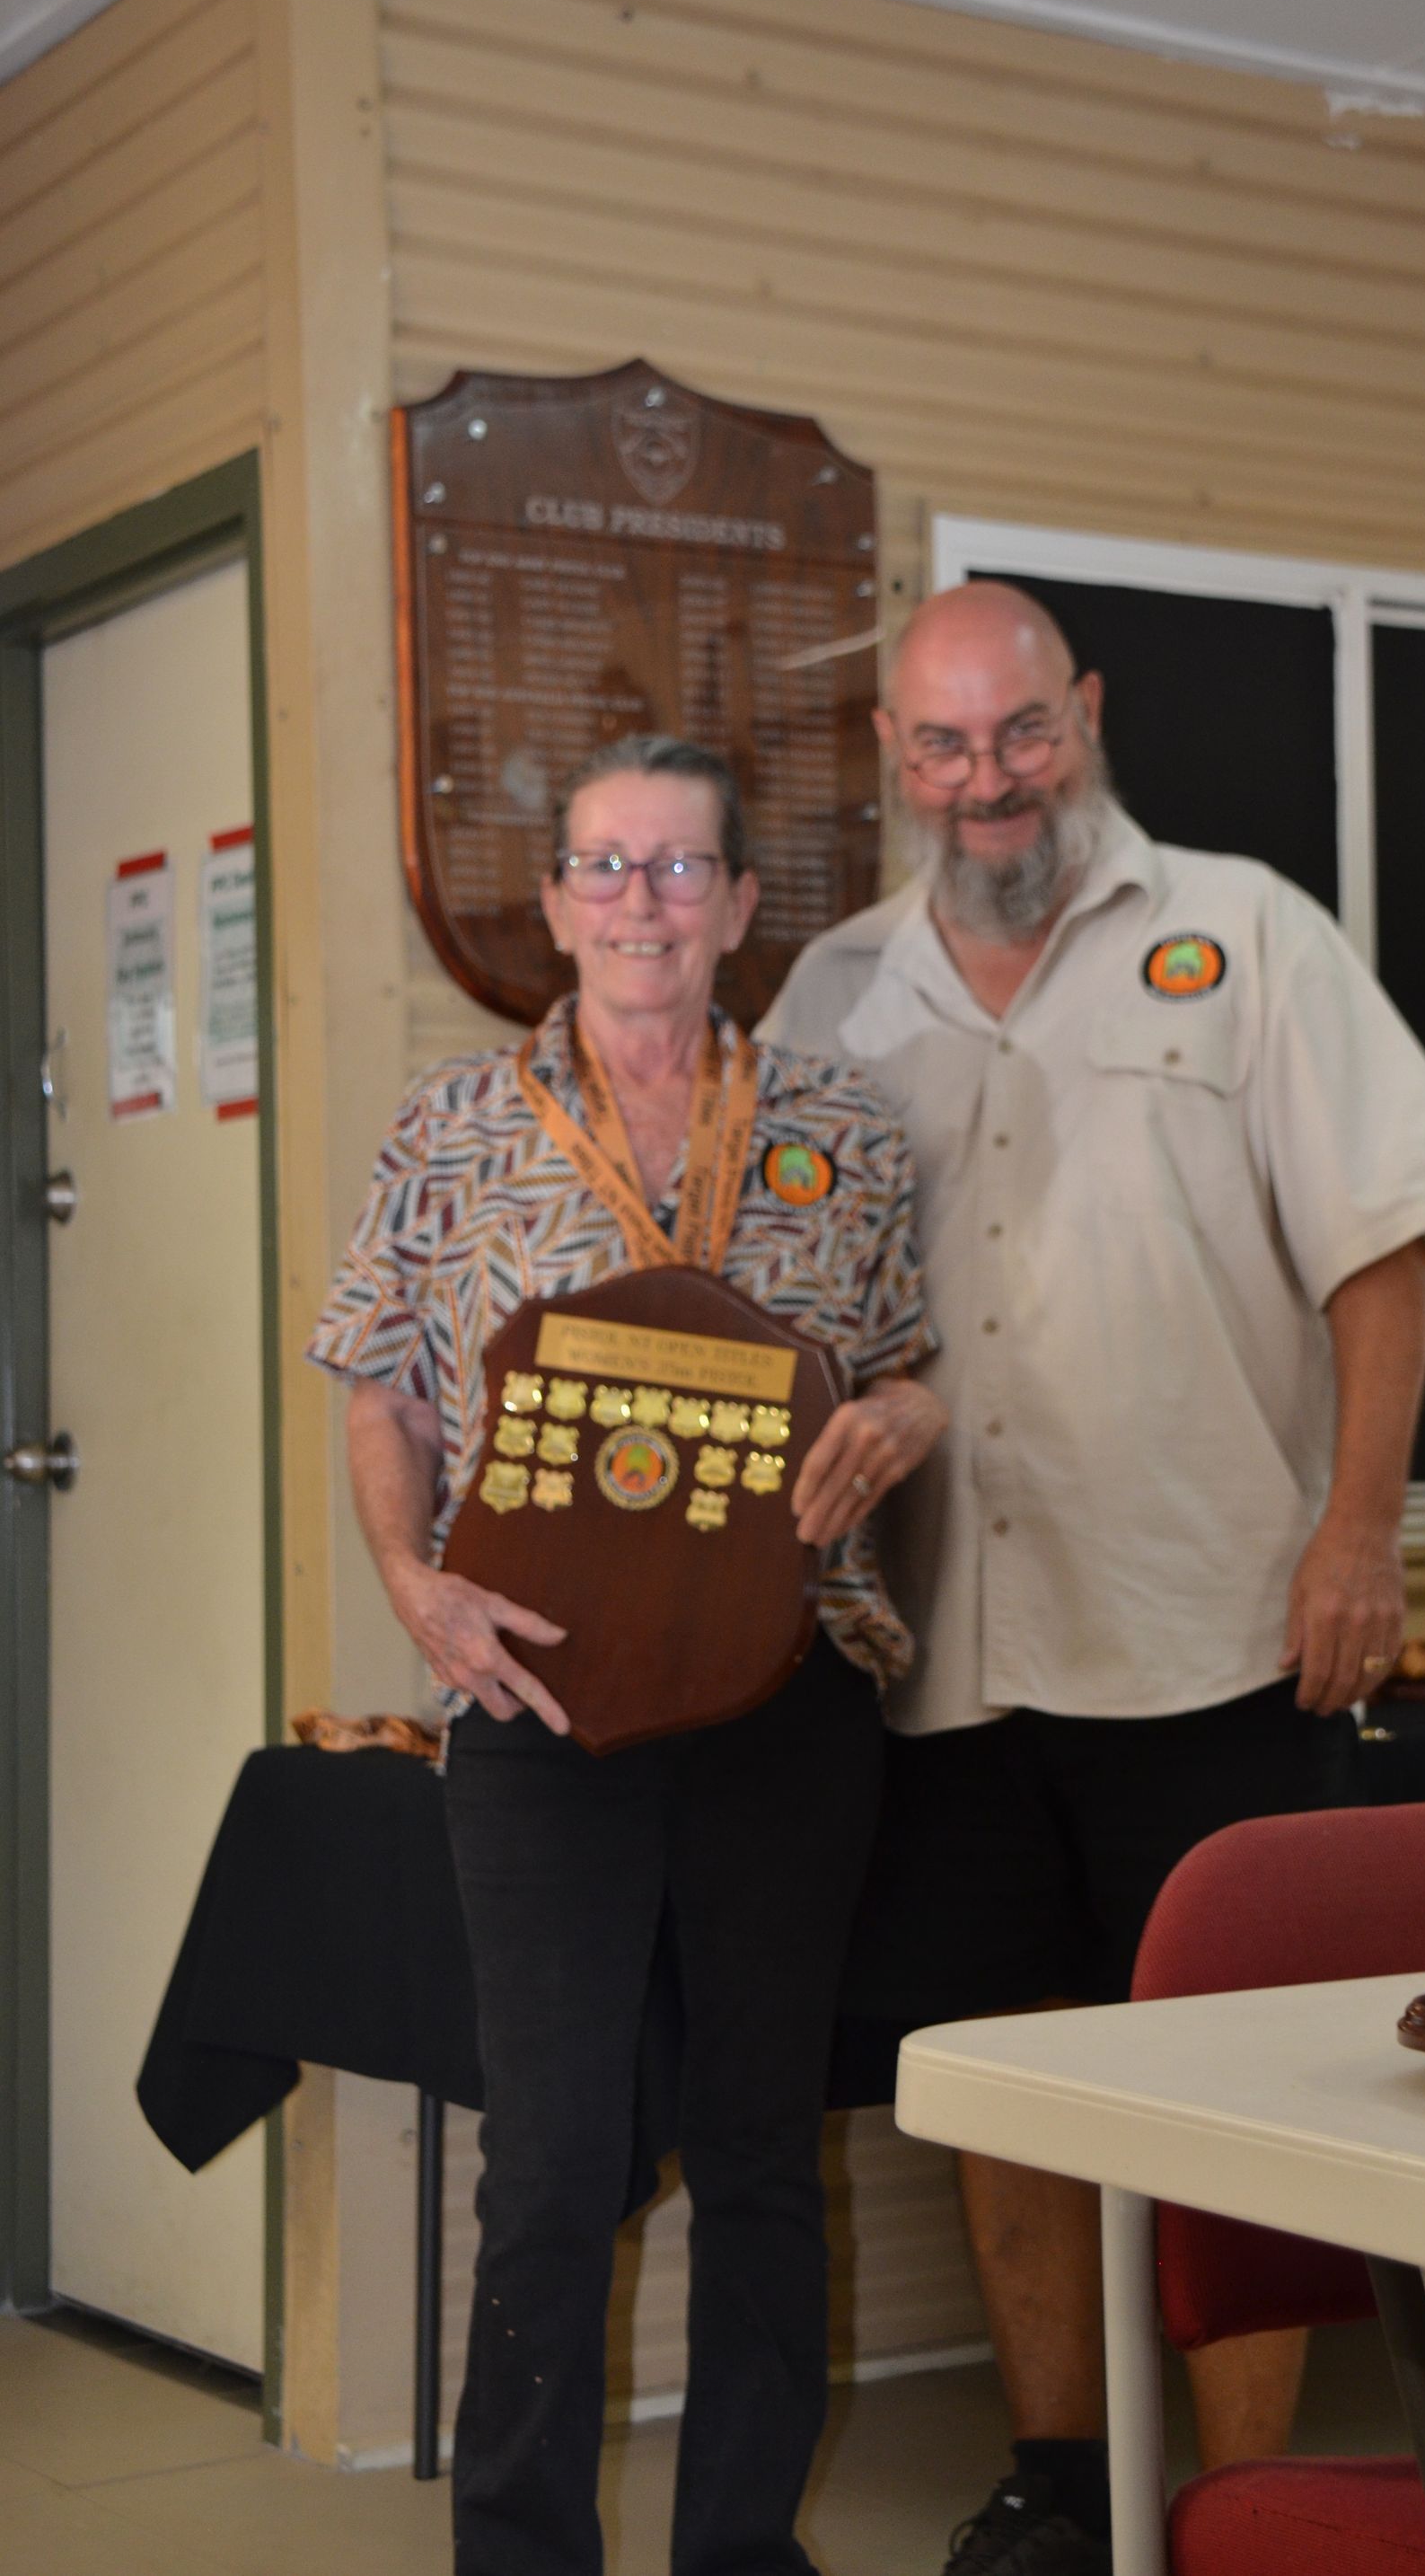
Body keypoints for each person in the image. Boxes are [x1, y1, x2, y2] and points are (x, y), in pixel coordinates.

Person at [763, 582, 1425, 2575]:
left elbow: (1391, 1250)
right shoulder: (831, 993)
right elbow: (766, 1302)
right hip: (947, 1652)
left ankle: (1230, 2501)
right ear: (898, 761)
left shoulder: (1247, 931)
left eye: (1018, 732)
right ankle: (1061, 2483)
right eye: (941, 745)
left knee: (1231, 2101)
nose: (985, 781)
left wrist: (1360, 1526)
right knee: (1010, 2077)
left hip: (1213, 1625)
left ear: (1081, 714)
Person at [309, 733, 945, 2576]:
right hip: (539, 1702)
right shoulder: (452, 1126)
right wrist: (410, 1583)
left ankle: (742, 2551)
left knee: (760, 2147)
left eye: (680, 871)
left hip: (788, 1698)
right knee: (556, 2166)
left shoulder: (845, 1123)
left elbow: (901, 1365)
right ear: (555, 902)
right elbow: (371, 1377)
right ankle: (523, 2554)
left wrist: (900, 1425)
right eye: (606, 866)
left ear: (742, 904)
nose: (641, 903)